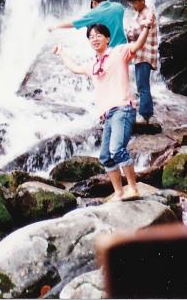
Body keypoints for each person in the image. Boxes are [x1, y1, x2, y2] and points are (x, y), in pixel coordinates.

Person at [52, 19, 153, 200]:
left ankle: (133, 189)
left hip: (123, 109)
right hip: (108, 115)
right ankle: (119, 192)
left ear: (107, 38)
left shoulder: (119, 52)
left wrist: (147, 27)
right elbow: (75, 68)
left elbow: (138, 44)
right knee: (106, 156)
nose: (95, 39)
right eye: (91, 37)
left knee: (117, 150)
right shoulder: (93, 65)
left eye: (98, 35)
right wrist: (61, 52)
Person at [124, 0, 158, 123]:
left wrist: (131, 31)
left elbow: (134, 32)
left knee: (142, 85)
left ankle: (145, 114)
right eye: (131, 2)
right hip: (139, 55)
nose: (132, 5)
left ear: (142, 0)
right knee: (142, 85)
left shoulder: (149, 13)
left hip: (145, 54)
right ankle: (148, 114)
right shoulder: (137, 15)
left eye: (134, 2)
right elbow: (132, 33)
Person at [47, 0, 127, 48]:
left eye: (92, 7)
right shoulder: (118, 7)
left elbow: (73, 24)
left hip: (110, 51)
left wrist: (55, 27)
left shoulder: (95, 13)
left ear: (94, 2)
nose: (93, 9)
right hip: (124, 46)